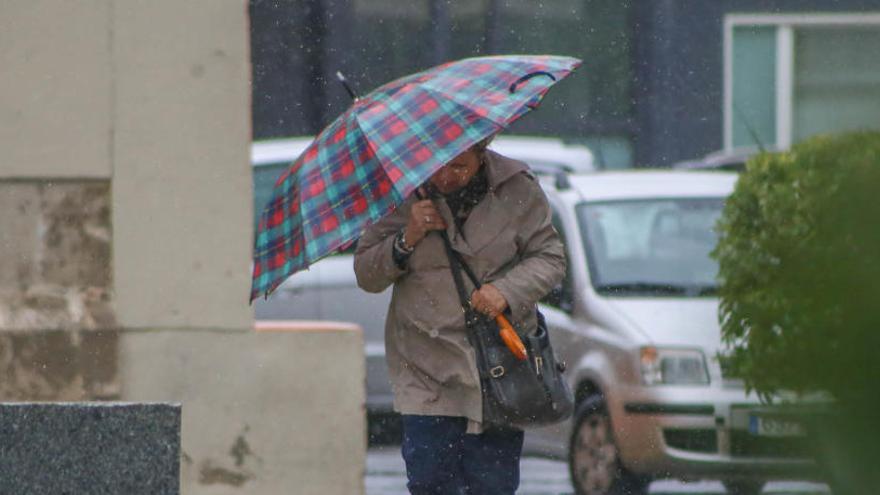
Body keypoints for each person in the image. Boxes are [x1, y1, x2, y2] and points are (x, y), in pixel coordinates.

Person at [353, 135, 566, 494]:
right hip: (426, 369)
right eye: (437, 165)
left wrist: (505, 291)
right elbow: (366, 274)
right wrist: (407, 237)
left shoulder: (518, 189)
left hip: (498, 368)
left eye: (458, 166)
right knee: (430, 483)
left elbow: (550, 258)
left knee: (492, 485)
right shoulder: (398, 191)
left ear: (481, 155)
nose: (446, 176)